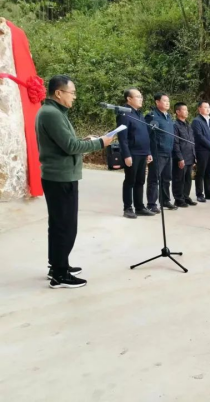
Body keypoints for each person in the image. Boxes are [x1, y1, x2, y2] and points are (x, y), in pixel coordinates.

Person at [36, 75, 113, 288]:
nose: (75, 97)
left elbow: (66, 143)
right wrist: (100, 143)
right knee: (65, 226)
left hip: (59, 176)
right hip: (60, 177)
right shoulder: (52, 114)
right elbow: (70, 147)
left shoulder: (54, 112)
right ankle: (60, 275)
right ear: (58, 93)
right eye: (72, 93)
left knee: (58, 224)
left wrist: (84, 141)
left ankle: (58, 265)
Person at [117, 88, 154, 219]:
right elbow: (122, 137)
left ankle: (139, 207)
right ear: (129, 99)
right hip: (132, 153)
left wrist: (148, 152)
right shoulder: (124, 113)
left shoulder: (139, 114)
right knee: (130, 180)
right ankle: (128, 208)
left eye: (141, 97)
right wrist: (126, 155)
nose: (141, 99)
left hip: (143, 153)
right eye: (138, 96)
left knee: (140, 181)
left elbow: (145, 135)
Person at [146, 93, 177, 212]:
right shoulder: (152, 116)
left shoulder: (168, 117)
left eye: (168, 101)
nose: (167, 103)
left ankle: (165, 200)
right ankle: (151, 204)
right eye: (164, 101)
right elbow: (147, 135)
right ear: (157, 102)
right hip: (157, 152)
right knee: (154, 179)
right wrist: (148, 152)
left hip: (168, 152)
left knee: (166, 178)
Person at [191, 100, 210, 203]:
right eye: (205, 107)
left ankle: (209, 193)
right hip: (202, 150)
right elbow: (199, 136)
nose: (208, 109)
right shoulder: (196, 121)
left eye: (209, 107)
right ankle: (200, 194)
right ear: (199, 109)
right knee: (201, 173)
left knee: (209, 172)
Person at [172, 102, 197, 208]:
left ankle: (186, 196)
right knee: (179, 179)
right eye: (184, 110)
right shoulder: (175, 125)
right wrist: (179, 158)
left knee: (188, 179)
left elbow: (192, 141)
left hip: (190, 156)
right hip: (181, 157)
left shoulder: (188, 124)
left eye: (187, 110)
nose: (187, 112)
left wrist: (194, 156)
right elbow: (175, 143)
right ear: (178, 112)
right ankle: (178, 199)